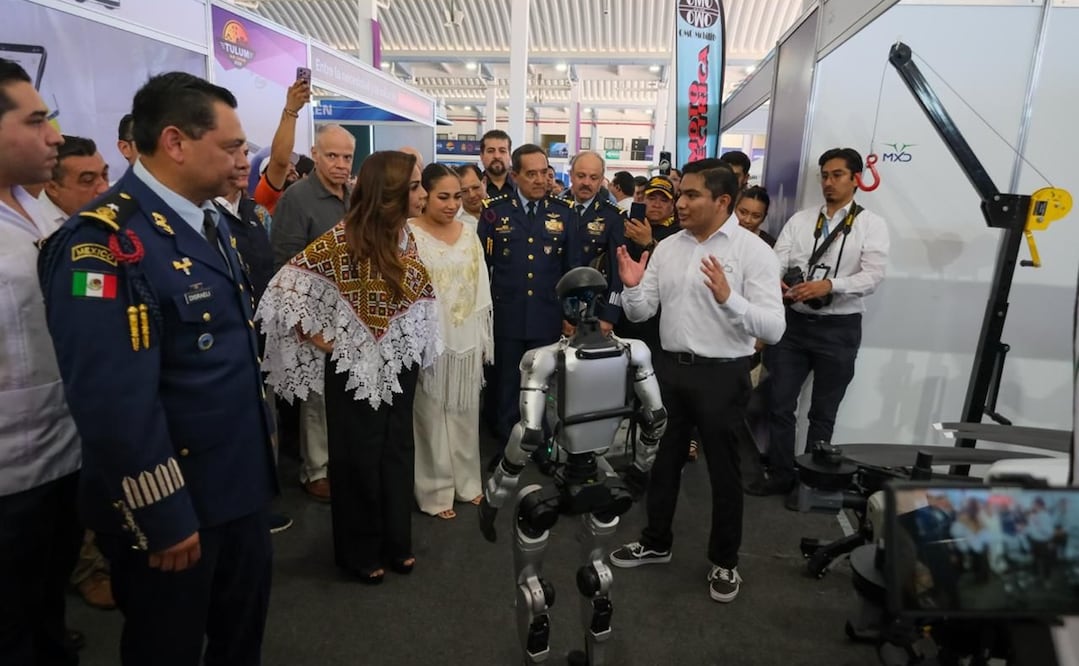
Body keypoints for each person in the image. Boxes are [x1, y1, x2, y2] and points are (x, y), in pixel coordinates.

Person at [39, 71, 276, 665]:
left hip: (238, 489)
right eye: (229, 147)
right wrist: (163, 514)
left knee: (239, 639)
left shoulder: (210, 221)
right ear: (175, 142)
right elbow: (112, 401)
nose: (240, 161)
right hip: (175, 512)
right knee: (164, 649)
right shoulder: (101, 242)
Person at [258, 151, 440, 584]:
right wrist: (323, 336)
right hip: (353, 365)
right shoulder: (343, 239)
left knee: (396, 449)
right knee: (357, 456)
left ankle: (396, 541)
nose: (422, 193)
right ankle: (359, 551)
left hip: (399, 359)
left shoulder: (406, 238)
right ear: (390, 192)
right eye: (414, 186)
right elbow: (285, 290)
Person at [608, 163, 785, 604]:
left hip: (723, 375)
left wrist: (731, 299)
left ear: (723, 201)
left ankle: (725, 561)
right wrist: (631, 288)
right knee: (662, 462)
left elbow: (775, 328)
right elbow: (642, 311)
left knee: (723, 473)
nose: (679, 203)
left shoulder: (754, 252)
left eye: (691, 195)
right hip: (670, 369)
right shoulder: (668, 248)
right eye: (680, 195)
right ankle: (655, 541)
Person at [0, 59, 83, 666]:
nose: (53, 134)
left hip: (63, 453)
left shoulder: (49, 214)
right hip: (6, 475)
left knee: (47, 603)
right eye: (35, 121)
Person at [747, 147, 889, 497]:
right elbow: (776, 261)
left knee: (823, 413)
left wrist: (830, 285)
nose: (829, 182)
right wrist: (778, 283)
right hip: (794, 326)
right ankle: (781, 474)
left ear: (856, 179)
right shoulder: (801, 220)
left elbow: (872, 276)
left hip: (839, 328)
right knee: (780, 404)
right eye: (824, 175)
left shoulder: (871, 225)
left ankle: (811, 483)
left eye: (837, 175)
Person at [36, 134, 117, 610]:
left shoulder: (103, 228)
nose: (102, 187)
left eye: (104, 175)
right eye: (87, 179)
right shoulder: (47, 233)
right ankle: (85, 569)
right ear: (53, 183)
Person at [270, 122, 355, 503]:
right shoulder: (297, 198)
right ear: (315, 154)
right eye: (332, 155)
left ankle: (338, 464)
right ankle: (316, 470)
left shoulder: (354, 196)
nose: (340, 164)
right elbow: (284, 265)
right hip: (313, 314)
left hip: (351, 312)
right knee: (317, 398)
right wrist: (303, 322)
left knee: (344, 396)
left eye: (347, 157)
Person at [479, 144, 580, 446]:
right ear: (515, 175)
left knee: (541, 384)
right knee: (507, 384)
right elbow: (483, 268)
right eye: (531, 174)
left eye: (544, 173)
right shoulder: (494, 212)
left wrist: (569, 315)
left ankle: (540, 442)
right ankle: (507, 445)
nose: (540, 180)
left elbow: (570, 269)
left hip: (546, 315)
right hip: (507, 315)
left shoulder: (563, 213)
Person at [409, 164, 492, 519]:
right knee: (428, 412)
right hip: (427, 337)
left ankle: (468, 482)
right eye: (443, 197)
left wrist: (479, 332)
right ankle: (435, 490)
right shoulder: (409, 232)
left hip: (465, 333)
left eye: (457, 197)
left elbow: (481, 286)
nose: (452, 205)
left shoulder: (469, 233)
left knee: (464, 408)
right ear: (424, 195)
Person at [615, 175, 680, 353]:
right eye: (652, 198)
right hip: (624, 313)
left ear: (672, 205)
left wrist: (648, 243)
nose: (657, 204)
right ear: (642, 199)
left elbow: (675, 269)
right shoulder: (626, 224)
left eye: (663, 199)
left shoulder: (679, 233)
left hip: (659, 318)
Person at [565, 150, 625, 334]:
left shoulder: (613, 217)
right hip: (554, 308)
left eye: (593, 177)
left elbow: (617, 270)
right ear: (571, 176)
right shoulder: (555, 209)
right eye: (581, 176)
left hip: (594, 311)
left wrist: (609, 315)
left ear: (601, 181)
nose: (586, 183)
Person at [252, 78, 311, 215]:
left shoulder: (301, 200)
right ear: (263, 176)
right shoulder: (267, 197)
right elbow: (279, 161)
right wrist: (291, 110)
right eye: (286, 165)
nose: (291, 167)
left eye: (292, 164)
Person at [480, 129, 514, 197]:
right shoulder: (473, 189)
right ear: (482, 156)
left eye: (502, 151)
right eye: (491, 151)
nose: (497, 156)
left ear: (510, 155)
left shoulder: (522, 187)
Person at [454, 163, 484, 227]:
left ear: (484, 182)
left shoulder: (502, 209)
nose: (471, 195)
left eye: (475, 187)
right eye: (464, 191)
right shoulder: (453, 219)